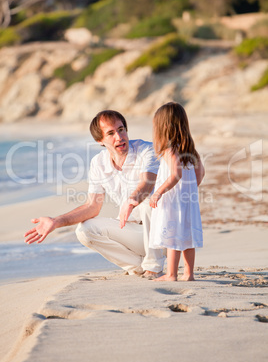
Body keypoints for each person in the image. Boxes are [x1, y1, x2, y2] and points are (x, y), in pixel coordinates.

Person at [24, 110, 165, 277]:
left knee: (150, 201)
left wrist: (130, 201)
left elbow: (146, 184)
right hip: (135, 232)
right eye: (111, 133)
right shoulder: (98, 163)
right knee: (85, 230)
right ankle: (137, 267)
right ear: (100, 140)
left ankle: (154, 268)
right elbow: (92, 207)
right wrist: (56, 221)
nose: (119, 137)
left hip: (164, 233)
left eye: (121, 130)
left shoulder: (147, 150)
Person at [149, 102, 204, 281]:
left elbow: (175, 174)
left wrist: (159, 192)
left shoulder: (169, 148)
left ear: (164, 127)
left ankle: (171, 274)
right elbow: (200, 172)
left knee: (172, 235)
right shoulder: (189, 149)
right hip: (187, 199)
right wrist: (190, 190)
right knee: (187, 235)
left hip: (173, 199)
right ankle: (188, 274)